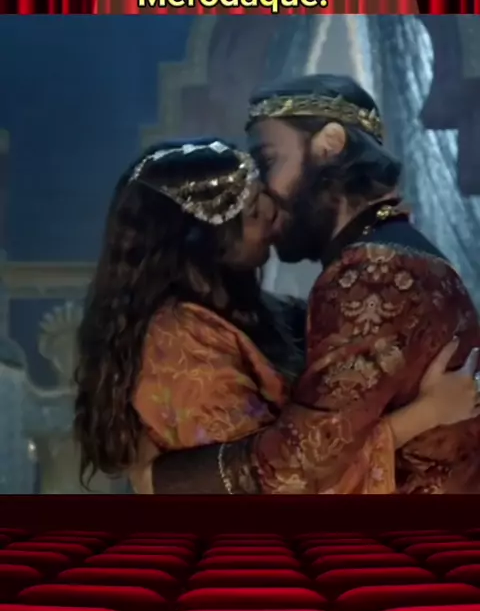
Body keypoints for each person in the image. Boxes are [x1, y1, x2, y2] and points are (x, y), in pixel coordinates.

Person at [72, 136, 479, 495]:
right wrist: (426, 415)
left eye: (263, 194)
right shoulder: (178, 342)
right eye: (252, 211)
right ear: (202, 245)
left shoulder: (269, 312)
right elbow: (278, 484)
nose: (272, 212)